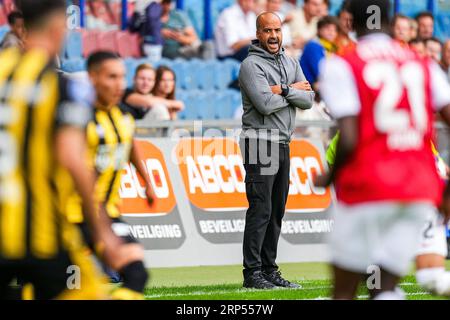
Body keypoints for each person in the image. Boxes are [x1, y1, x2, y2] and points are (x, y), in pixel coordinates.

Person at [317, 0, 450, 300]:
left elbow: (348, 136)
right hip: (418, 187)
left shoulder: (342, 63)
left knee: (344, 290)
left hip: (369, 186)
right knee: (384, 285)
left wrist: (329, 176)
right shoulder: (422, 62)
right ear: (391, 22)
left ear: (348, 23)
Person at [0, 0, 123, 300]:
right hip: (41, 231)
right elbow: (72, 158)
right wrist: (102, 229)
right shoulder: (60, 86)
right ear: (58, 26)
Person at [66, 51, 155, 300]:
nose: (119, 84)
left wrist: (146, 180)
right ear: (93, 78)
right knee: (68, 289)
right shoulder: (78, 118)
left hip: (108, 212)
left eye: (122, 77)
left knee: (137, 275)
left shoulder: (123, 115)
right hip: (71, 216)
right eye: (111, 77)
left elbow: (130, 144)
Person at [239, 12, 314, 289]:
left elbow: (308, 99)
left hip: (282, 141)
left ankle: (270, 270)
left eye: (277, 30)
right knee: (261, 209)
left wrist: (281, 89)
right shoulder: (250, 65)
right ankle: (253, 274)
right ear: (258, 33)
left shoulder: (290, 60)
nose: (273, 36)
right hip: (260, 141)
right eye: (267, 30)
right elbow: (264, 104)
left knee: (276, 210)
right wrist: (290, 91)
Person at [300, 16, 339, 89]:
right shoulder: (313, 45)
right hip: (308, 87)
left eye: (334, 30)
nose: (331, 33)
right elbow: (320, 72)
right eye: (328, 29)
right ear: (319, 30)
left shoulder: (331, 47)